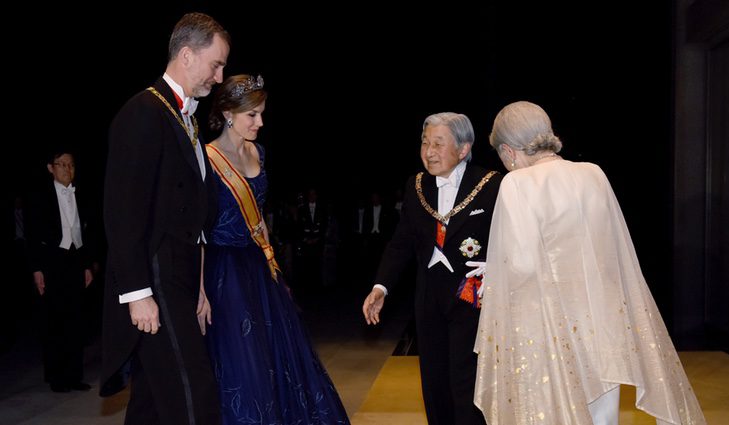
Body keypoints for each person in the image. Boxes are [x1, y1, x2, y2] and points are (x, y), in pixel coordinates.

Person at [474, 101, 706, 425]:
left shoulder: (517, 184)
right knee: (601, 415)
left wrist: (495, 273)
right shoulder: (593, 173)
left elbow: (524, 264)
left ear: (509, 150)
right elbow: (610, 247)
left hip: (545, 326)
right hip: (601, 321)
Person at [100, 12, 229, 425]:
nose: (220, 76)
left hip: (181, 277)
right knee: (195, 392)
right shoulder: (142, 113)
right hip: (155, 277)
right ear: (187, 55)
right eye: (216, 64)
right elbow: (122, 212)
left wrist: (201, 287)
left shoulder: (185, 117)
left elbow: (195, 214)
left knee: (153, 400)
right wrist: (137, 293)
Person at [202, 74, 350, 425]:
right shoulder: (206, 159)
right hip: (224, 270)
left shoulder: (259, 152)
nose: (260, 122)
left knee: (277, 355)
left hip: (258, 265)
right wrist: (199, 288)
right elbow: (198, 231)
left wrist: (272, 261)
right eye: (252, 114)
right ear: (227, 113)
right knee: (243, 361)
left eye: (262, 113)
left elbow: (260, 217)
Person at [362, 112, 501, 425]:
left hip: (472, 298)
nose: (429, 151)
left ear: (463, 149)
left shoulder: (490, 184)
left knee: (466, 382)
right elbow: (401, 243)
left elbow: (513, 236)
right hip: (428, 301)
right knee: (434, 380)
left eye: (439, 143)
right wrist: (381, 286)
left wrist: (499, 265)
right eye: (425, 143)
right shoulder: (417, 185)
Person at [25, 149, 96, 392]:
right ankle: (57, 377)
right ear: (50, 168)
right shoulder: (39, 197)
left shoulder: (81, 193)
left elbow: (85, 232)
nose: (67, 169)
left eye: (71, 165)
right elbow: (31, 235)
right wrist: (37, 269)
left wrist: (87, 265)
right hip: (52, 262)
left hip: (75, 259)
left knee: (76, 319)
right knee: (55, 321)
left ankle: (74, 376)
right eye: (62, 164)